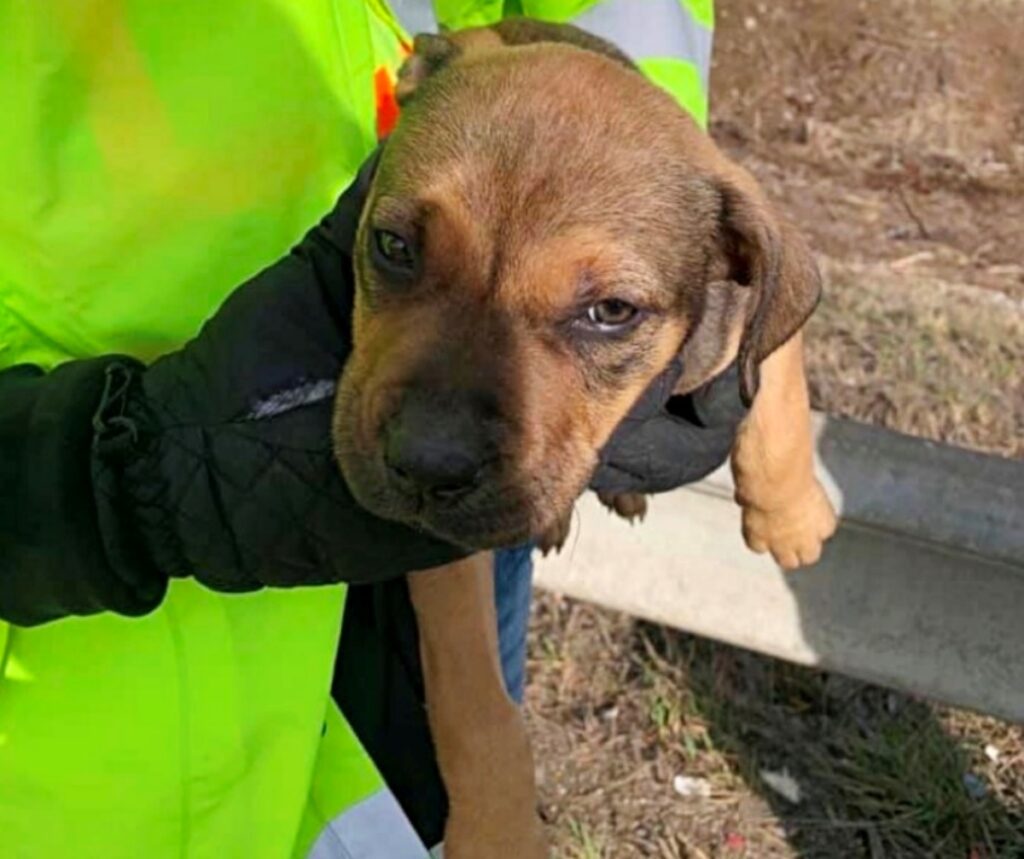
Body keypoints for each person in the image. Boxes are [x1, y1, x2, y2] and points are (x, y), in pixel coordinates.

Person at [0, 2, 734, 856]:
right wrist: (82, 484)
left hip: (291, 701)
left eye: (607, 311)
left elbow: (585, 28)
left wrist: (664, 198)